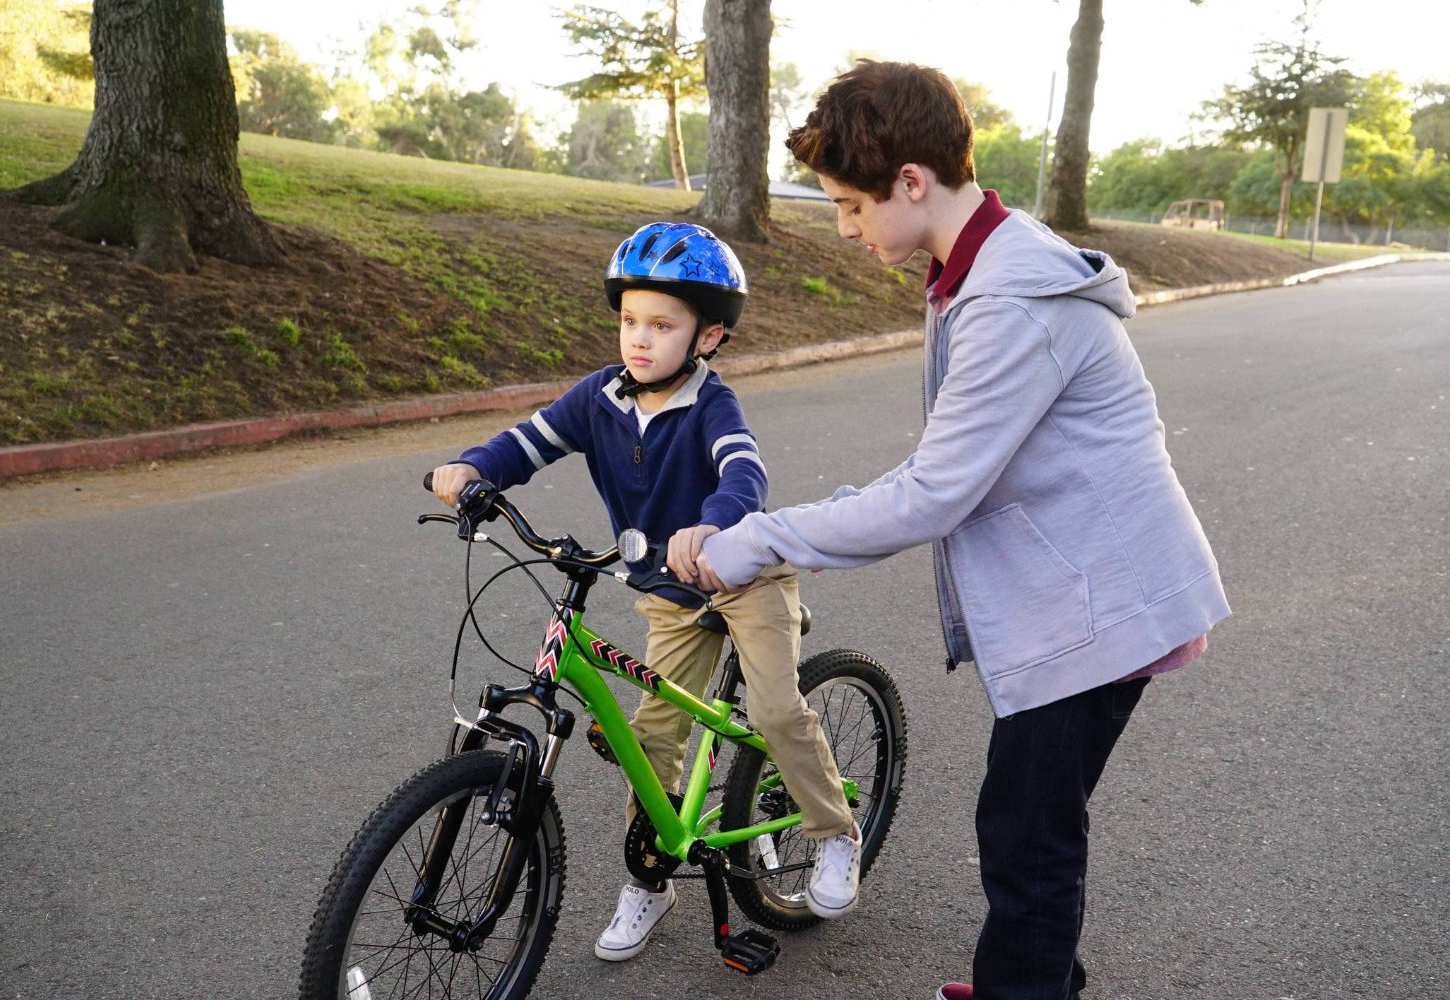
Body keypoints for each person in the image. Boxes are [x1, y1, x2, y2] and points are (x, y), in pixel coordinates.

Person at [696, 62, 1231, 1000]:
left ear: (912, 181)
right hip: (1084, 592)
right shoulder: (976, 268)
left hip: (1098, 605)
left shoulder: (1007, 297)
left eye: (851, 206)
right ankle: (1034, 983)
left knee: (1029, 835)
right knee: (1031, 818)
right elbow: (950, 468)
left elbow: (934, 495)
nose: (845, 229)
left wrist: (757, 538)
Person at [430, 221, 863, 964]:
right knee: (651, 739)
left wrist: (714, 526)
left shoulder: (712, 405)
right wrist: (472, 470)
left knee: (771, 708)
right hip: (665, 589)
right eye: (630, 320)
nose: (639, 338)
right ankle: (650, 878)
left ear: (707, 338)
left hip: (738, 576)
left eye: (662, 325)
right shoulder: (598, 396)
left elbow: (743, 475)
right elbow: (525, 442)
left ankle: (833, 834)